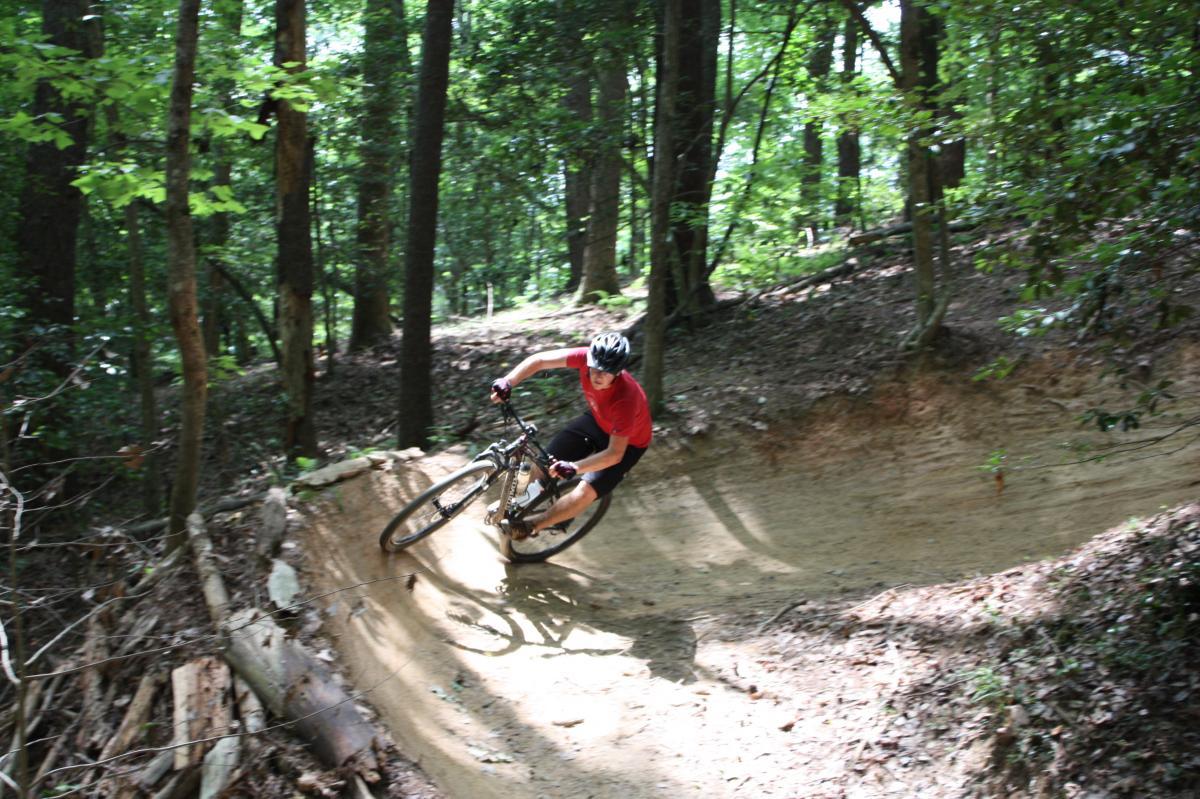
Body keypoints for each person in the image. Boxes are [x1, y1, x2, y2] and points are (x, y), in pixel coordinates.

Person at [489, 332, 652, 540]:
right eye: (594, 368)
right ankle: (520, 500)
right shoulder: (584, 358)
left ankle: (532, 526)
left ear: (618, 372)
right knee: (544, 461)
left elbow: (614, 454)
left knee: (585, 491)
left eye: (606, 372)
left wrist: (575, 467)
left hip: (628, 444)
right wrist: (509, 381)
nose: (597, 376)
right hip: (598, 421)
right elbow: (539, 360)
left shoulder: (626, 399)